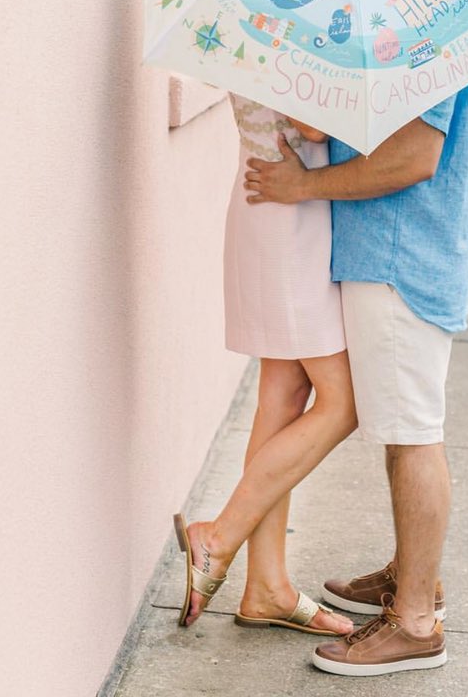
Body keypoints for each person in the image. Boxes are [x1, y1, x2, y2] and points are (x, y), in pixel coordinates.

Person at [244, 82, 468, 676]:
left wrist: (304, 185)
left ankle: (415, 623)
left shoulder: (431, 27)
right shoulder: (414, 14)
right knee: (401, 427)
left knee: (415, 434)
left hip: (402, 256)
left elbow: (414, 156)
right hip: (386, 249)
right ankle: (410, 575)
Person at [173, 95, 357, 637]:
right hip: (285, 213)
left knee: (283, 393)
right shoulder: (282, 21)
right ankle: (220, 536)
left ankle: (266, 587)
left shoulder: (261, 17)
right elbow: (318, 123)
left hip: (281, 203)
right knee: (343, 402)